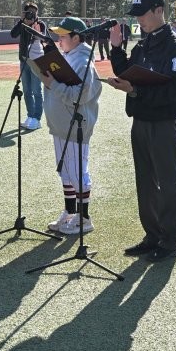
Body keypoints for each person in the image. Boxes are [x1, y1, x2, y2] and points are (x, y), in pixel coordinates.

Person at [106, 0, 176, 262]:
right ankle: (152, 235)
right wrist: (117, 49)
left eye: (142, 14)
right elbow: (127, 73)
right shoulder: (142, 46)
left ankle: (170, 242)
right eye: (136, 15)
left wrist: (135, 91)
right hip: (141, 121)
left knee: (167, 183)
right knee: (145, 182)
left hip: (164, 124)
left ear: (158, 10)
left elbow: (174, 93)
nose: (139, 20)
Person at [39, 17, 102, 235]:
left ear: (76, 38)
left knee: (77, 173)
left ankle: (84, 218)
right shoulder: (69, 57)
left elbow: (79, 96)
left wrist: (52, 84)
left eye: (63, 36)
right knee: (66, 173)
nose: (59, 40)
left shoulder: (83, 62)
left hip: (75, 127)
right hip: (60, 125)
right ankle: (69, 212)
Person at [9, 2, 47, 131]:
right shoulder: (23, 24)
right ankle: (30, 116)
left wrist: (37, 30)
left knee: (37, 90)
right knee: (27, 91)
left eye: (34, 12)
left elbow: (45, 40)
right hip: (24, 60)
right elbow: (13, 34)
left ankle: (37, 119)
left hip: (37, 61)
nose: (32, 14)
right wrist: (21, 21)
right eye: (29, 12)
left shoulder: (40, 24)